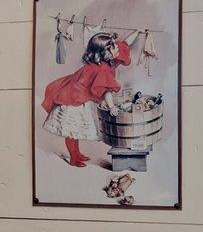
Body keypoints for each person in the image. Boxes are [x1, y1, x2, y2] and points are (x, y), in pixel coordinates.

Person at [39, 28, 139, 168]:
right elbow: (107, 91)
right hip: (73, 98)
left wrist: (137, 32)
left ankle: (77, 153)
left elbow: (124, 43)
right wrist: (112, 107)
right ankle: (74, 157)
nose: (117, 46)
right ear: (105, 52)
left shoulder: (107, 58)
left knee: (75, 129)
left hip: (79, 94)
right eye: (114, 46)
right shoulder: (102, 68)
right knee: (72, 129)